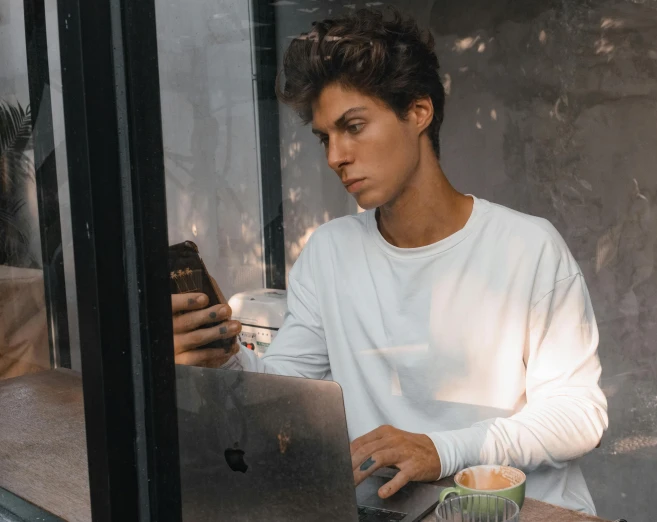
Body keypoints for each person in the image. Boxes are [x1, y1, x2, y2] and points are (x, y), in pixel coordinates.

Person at [170, 8, 608, 515]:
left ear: (418, 112)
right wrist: (220, 357)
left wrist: (439, 449)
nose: (335, 155)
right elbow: (284, 398)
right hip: (382, 511)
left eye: (353, 126)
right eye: (325, 137)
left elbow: (579, 416)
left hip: (515, 511)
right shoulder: (330, 253)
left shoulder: (526, 247)